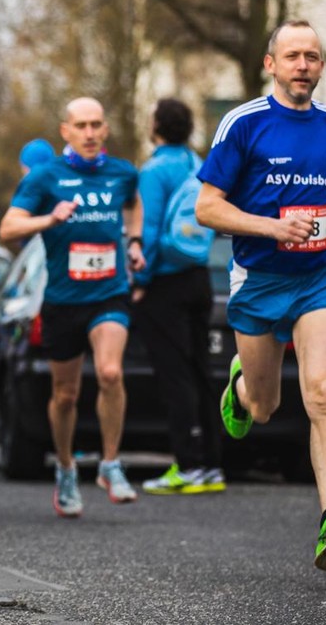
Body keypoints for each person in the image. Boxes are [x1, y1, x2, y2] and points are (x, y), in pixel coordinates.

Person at [195, 20, 326, 571]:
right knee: (264, 408)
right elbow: (207, 207)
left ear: (321, 67)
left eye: (312, 56)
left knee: (325, 394)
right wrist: (270, 227)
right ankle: (241, 383)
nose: (302, 64)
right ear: (271, 64)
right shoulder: (243, 124)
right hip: (259, 280)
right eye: (292, 56)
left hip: (320, 278)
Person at [0, 97, 145, 518]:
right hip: (63, 299)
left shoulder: (123, 173)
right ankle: (65, 467)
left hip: (110, 293)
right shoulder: (46, 178)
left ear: (105, 129)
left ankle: (110, 464)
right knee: (65, 395)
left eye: (97, 124)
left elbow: (134, 205)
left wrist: (134, 243)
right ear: (66, 131)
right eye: (81, 125)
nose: (90, 133)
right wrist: (49, 219)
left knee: (111, 371)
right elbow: (10, 226)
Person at [132, 99, 224, 495]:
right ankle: (212, 464)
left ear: (156, 127)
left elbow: (148, 232)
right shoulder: (196, 161)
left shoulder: (154, 170)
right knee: (202, 370)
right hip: (200, 277)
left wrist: (140, 279)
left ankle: (186, 464)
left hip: (165, 283)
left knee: (175, 375)